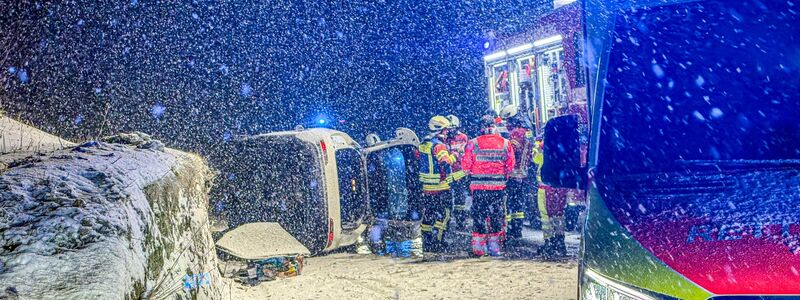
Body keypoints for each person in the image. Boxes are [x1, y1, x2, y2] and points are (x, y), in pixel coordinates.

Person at [461, 116, 515, 257]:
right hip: (498, 189)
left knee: (479, 216)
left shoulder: (472, 143)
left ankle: (478, 249)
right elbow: (510, 166)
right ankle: (494, 248)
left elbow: (465, 166)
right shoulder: (506, 143)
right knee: (496, 216)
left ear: (481, 128)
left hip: (479, 188)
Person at [416, 115, 460, 253]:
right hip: (441, 187)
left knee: (428, 216)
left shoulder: (423, 144)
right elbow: (445, 162)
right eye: (446, 130)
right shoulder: (439, 146)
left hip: (427, 187)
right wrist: (455, 155)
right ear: (441, 130)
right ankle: (439, 242)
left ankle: (427, 243)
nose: (447, 133)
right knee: (444, 215)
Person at [499, 105, 539, 244]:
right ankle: (517, 230)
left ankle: (511, 230)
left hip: (513, 173)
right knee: (518, 203)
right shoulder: (527, 131)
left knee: (510, 202)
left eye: (508, 120)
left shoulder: (516, 133)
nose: (507, 123)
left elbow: (512, 150)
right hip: (524, 172)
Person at [533, 137, 568, 258]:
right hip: (560, 188)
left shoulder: (545, 148)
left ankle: (549, 242)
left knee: (545, 216)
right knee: (559, 214)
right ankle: (560, 241)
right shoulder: (563, 149)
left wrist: (537, 148)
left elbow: (535, 159)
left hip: (545, 189)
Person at [445, 115, 470, 233]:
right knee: (447, 198)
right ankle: (447, 221)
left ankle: (460, 221)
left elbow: (464, 153)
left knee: (460, 198)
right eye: (448, 128)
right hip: (448, 172)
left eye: (452, 128)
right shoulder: (445, 138)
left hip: (459, 172)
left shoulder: (463, 137)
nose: (450, 131)